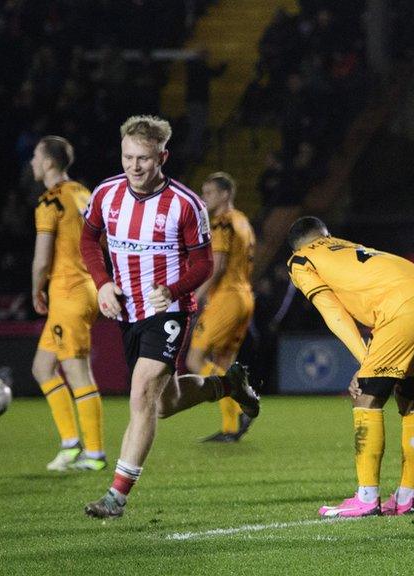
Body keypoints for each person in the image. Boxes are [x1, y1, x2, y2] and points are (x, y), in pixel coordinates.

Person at [79, 115, 260, 519]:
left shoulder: (186, 204)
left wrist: (174, 290)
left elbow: (203, 264)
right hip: (126, 311)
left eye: (143, 159)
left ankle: (116, 496)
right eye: (127, 157)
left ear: (163, 156)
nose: (134, 167)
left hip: (169, 311)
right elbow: (89, 239)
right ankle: (226, 385)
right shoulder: (106, 193)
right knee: (163, 404)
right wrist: (102, 282)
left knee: (142, 394)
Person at [286, 217, 414, 517]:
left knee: (366, 397)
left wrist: (363, 360)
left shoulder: (301, 259)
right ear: (326, 235)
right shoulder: (350, 247)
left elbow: (333, 313)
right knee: (411, 401)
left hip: (404, 308)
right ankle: (405, 498)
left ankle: (366, 498)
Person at [29, 136, 106, 472]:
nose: (31, 161)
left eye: (35, 156)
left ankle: (95, 454)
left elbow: (42, 259)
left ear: (48, 163)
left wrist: (36, 289)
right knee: (42, 368)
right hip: (87, 288)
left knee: (77, 372)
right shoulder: (84, 194)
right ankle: (71, 445)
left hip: (67, 291)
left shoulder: (50, 202)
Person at [188, 172, 257, 442]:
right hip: (244, 296)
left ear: (225, 194)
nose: (204, 199)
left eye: (209, 193)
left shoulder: (222, 223)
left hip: (226, 296)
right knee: (224, 363)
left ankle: (243, 403)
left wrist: (194, 297)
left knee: (194, 359)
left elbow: (216, 267)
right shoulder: (243, 220)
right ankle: (231, 428)